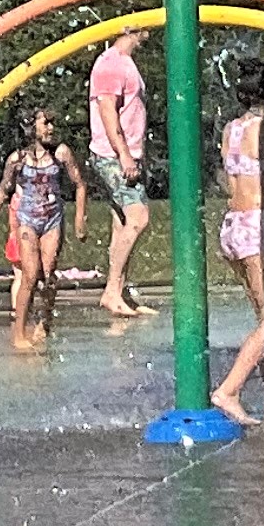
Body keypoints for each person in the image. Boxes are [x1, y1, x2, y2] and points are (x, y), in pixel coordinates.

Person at [210, 54, 264, 423]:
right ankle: (229, 390)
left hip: (233, 226)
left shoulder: (232, 129)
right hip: (257, 227)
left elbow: (232, 179)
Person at [0, 106, 88, 351]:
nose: (51, 128)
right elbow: (2, 192)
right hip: (27, 220)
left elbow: (79, 184)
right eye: (45, 123)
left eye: (52, 123)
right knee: (29, 275)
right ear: (30, 127)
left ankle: (44, 322)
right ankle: (19, 333)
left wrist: (80, 219)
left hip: (52, 220)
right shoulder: (18, 159)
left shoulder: (61, 153)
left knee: (47, 276)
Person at [86, 36, 155, 319]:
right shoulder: (110, 64)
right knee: (139, 218)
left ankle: (120, 292)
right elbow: (107, 112)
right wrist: (124, 154)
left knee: (122, 223)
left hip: (124, 155)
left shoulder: (125, 63)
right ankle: (112, 291)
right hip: (112, 156)